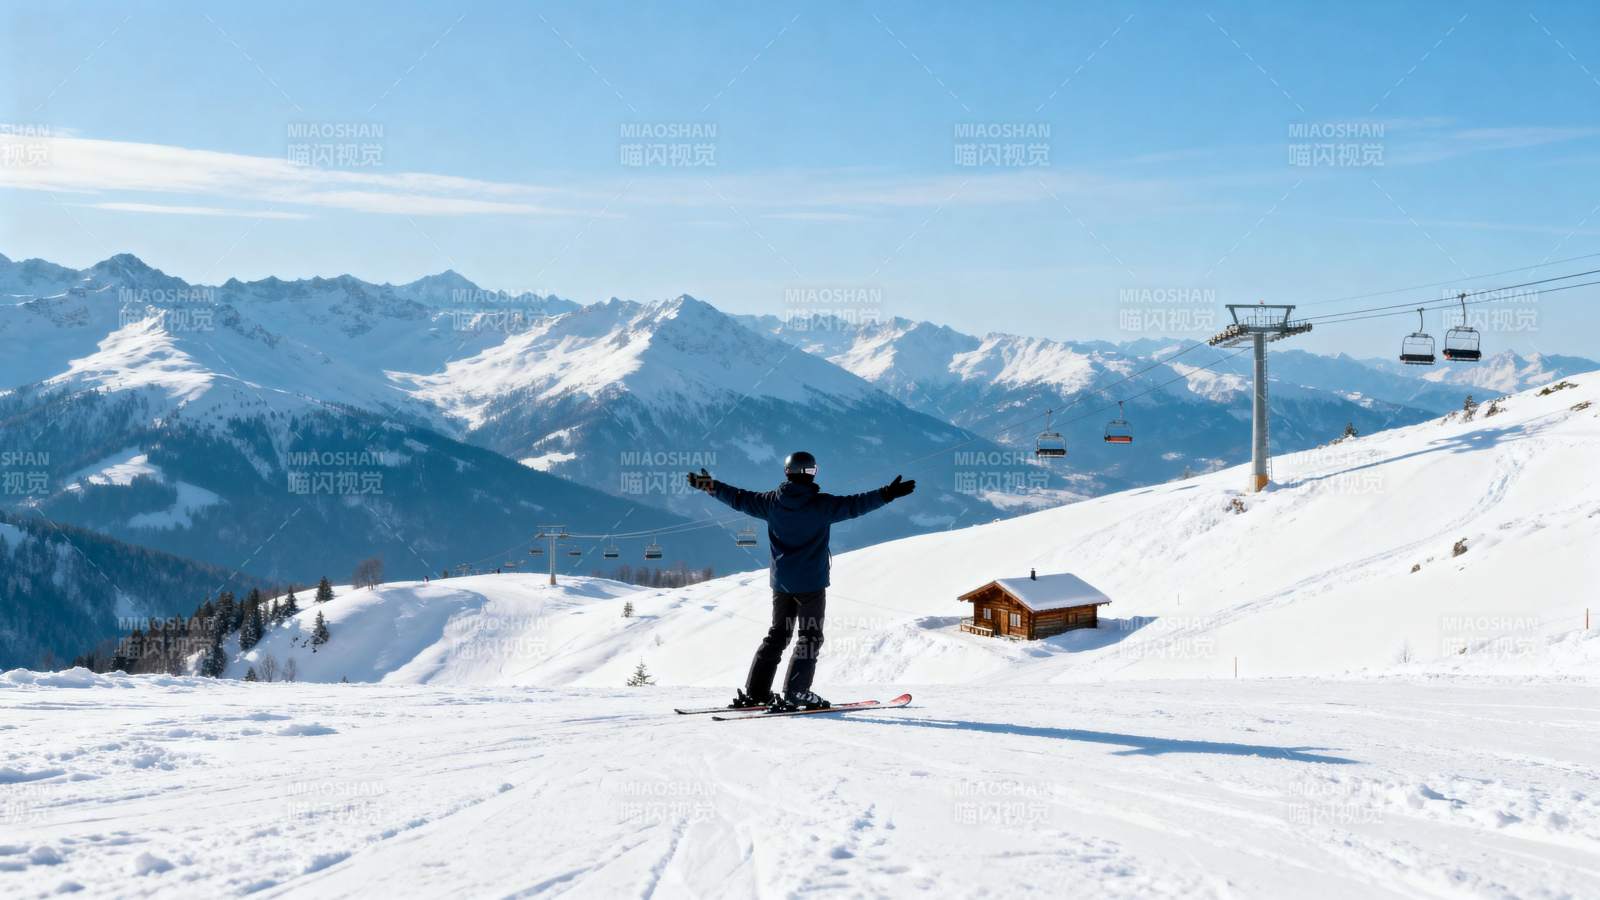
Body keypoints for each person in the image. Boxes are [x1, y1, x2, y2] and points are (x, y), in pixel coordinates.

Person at [687, 451, 915, 711]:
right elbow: (856, 505)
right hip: (811, 585)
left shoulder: (770, 502)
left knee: (777, 635)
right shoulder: (822, 505)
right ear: (812, 473)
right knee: (809, 637)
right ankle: (797, 692)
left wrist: (709, 485)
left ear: (787, 472)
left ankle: (757, 692)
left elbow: (738, 498)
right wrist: (887, 493)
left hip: (782, 584)